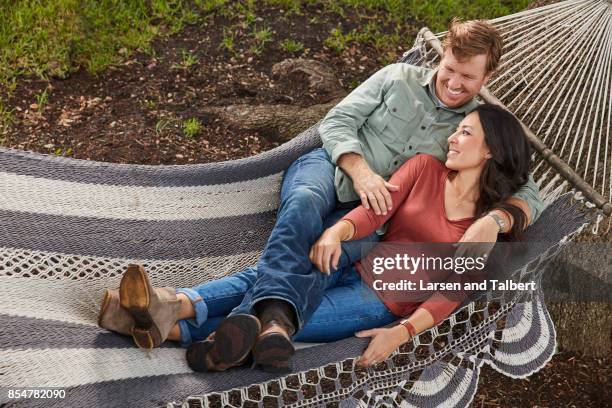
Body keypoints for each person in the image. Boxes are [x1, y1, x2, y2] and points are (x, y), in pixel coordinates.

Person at [98, 103, 532, 372]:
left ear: (491, 149)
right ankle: (174, 310)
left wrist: (400, 333)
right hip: (355, 258)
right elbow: (373, 210)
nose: (453, 138)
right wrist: (336, 230)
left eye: (465, 132)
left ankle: (159, 322)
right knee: (271, 280)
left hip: (379, 301)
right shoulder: (424, 169)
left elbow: (449, 295)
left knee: (288, 317)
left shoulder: (485, 229)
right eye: (456, 130)